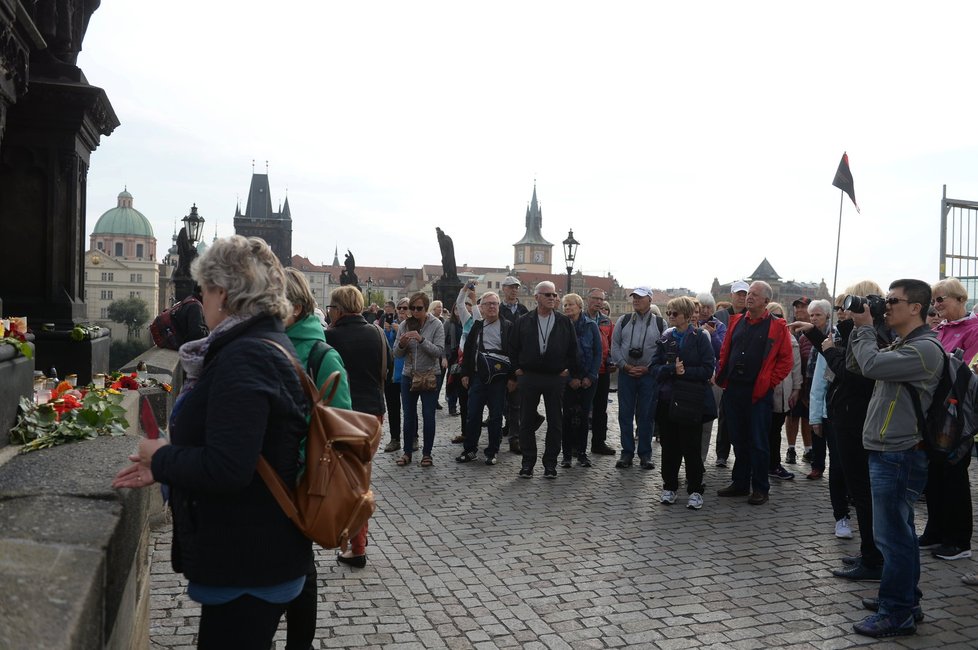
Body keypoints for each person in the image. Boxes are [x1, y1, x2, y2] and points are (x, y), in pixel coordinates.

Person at [112, 236, 312, 649]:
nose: (200, 300)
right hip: (254, 553)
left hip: (250, 560)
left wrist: (163, 456)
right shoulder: (260, 343)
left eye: (203, 290)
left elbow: (228, 468)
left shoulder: (248, 355)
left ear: (223, 292)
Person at [847, 279, 942, 638]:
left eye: (893, 301)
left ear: (916, 307)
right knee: (898, 534)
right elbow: (859, 364)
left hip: (899, 454)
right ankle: (906, 598)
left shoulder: (924, 350)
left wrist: (866, 328)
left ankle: (897, 611)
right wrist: (860, 329)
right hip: (891, 451)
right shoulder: (907, 343)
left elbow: (870, 364)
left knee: (893, 538)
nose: (886, 306)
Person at [799, 281, 892, 583]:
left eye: (846, 305)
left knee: (863, 494)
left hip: (857, 421)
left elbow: (853, 375)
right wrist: (817, 338)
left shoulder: (871, 334)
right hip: (848, 418)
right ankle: (869, 551)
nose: (842, 311)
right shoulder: (860, 333)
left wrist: (827, 349)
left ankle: (873, 557)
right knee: (860, 491)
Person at [282, 267, 352, 648]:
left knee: (300, 568)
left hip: (304, 480)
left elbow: (341, 428)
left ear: (293, 308)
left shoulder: (323, 354)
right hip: (266, 482)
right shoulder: (267, 345)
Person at [324, 285, 390, 568]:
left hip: (344, 415)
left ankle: (357, 545)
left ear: (337, 309)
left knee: (350, 484)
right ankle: (356, 543)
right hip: (373, 414)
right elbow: (384, 369)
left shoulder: (330, 337)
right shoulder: (376, 332)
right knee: (360, 478)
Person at [715, 281, 794, 505]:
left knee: (758, 441)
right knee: (738, 438)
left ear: (766, 301)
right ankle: (740, 483)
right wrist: (723, 370)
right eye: (748, 293)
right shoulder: (737, 320)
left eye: (754, 295)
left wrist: (769, 382)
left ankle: (760, 487)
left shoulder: (777, 326)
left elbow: (786, 360)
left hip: (758, 392)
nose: (749, 297)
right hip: (734, 389)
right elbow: (725, 350)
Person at [921, 278, 976, 563]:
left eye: (941, 299)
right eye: (934, 300)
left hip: (956, 414)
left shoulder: (974, 329)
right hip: (934, 413)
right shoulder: (939, 330)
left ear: (959, 298)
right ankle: (935, 530)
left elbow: (965, 371)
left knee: (954, 476)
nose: (936, 305)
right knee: (934, 475)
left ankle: (959, 539)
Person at [650, 296, 716, 510]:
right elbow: (654, 368)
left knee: (691, 447)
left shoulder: (700, 337)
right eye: (668, 312)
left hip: (690, 400)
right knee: (669, 447)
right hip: (667, 400)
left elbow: (707, 369)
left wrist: (684, 372)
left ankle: (695, 490)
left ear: (687, 315)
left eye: (674, 313)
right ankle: (669, 486)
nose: (670, 317)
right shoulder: (666, 336)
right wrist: (671, 370)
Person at [509, 281, 578, 478]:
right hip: (529, 376)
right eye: (547, 295)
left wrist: (568, 369)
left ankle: (550, 464)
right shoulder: (523, 320)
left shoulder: (564, 321)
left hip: (555, 378)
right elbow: (512, 348)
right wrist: (517, 370)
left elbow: (573, 350)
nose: (552, 298)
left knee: (555, 422)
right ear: (537, 297)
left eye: (554, 295)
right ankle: (527, 463)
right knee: (526, 422)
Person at [611, 286, 665, 469]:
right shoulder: (623, 320)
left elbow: (662, 351)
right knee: (625, 415)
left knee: (646, 416)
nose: (635, 300)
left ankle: (645, 454)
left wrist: (647, 368)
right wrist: (624, 365)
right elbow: (615, 346)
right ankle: (627, 453)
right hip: (626, 374)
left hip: (648, 376)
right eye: (634, 297)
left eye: (640, 297)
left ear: (650, 300)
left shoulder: (660, 323)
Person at [456, 291, 511, 465]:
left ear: (499, 306)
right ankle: (470, 449)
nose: (492, 307)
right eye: (488, 304)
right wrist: (465, 373)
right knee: (473, 415)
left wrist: (512, 378)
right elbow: (469, 350)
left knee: (495, 416)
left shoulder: (508, 326)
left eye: (495, 303)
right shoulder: (477, 325)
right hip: (479, 376)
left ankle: (492, 451)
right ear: (482, 307)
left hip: (499, 378)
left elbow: (515, 352)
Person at [393, 291, 445, 467]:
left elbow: (438, 351)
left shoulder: (436, 324)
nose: (415, 312)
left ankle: (427, 454)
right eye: (412, 308)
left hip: (431, 375)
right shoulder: (405, 325)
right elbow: (396, 353)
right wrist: (402, 344)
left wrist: (421, 340)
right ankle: (407, 452)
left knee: (428, 415)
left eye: (419, 308)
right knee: (408, 416)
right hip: (409, 376)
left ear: (426, 307)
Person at [559, 293, 602, 468]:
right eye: (565, 305)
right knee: (567, 417)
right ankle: (567, 454)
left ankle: (582, 454)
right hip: (568, 379)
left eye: (571, 305)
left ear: (579, 306)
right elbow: (558, 354)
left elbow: (597, 352)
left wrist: (591, 376)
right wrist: (569, 378)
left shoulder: (591, 326)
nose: (567, 308)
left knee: (584, 417)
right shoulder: (560, 325)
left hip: (588, 378)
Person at [763, 302, 800, 482]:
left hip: (783, 392)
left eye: (781, 316)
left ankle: (774, 464)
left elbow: (796, 368)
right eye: (774, 315)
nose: (778, 319)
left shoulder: (791, 339)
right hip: (763, 390)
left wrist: (796, 389)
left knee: (775, 430)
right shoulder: (761, 336)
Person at [500, 276, 530, 454]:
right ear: (504, 289)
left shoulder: (523, 309)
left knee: (516, 404)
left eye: (516, 287)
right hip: (500, 360)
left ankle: (515, 438)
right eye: (511, 287)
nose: (514, 290)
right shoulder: (498, 308)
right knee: (499, 402)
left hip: (517, 361)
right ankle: (500, 432)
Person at [696, 292, 727, 463]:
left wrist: (713, 335)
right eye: (702, 307)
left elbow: (721, 352)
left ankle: (701, 458)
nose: (705, 311)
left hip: (713, 379)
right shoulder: (691, 324)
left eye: (709, 307)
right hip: (693, 377)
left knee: (707, 421)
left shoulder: (720, 326)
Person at [586, 288, 617, 455]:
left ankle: (598, 443)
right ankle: (577, 445)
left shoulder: (606, 322)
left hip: (603, 370)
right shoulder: (580, 318)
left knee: (600, 409)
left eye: (601, 299)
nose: (598, 302)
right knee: (581, 409)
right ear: (587, 299)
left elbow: (611, 345)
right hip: (585, 370)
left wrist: (612, 360)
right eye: (595, 298)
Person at [785, 297, 815, 466]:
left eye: (803, 307)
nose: (799, 310)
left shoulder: (814, 329)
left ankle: (808, 449)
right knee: (792, 415)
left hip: (809, 380)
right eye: (797, 307)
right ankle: (790, 448)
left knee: (807, 417)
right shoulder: (791, 330)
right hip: (794, 378)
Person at [382, 298, 409, 453]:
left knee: (409, 409)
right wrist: (386, 330)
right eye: (399, 308)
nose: (401, 311)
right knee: (393, 408)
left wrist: (401, 330)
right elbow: (387, 346)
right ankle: (395, 439)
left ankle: (413, 437)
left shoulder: (412, 326)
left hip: (407, 372)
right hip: (392, 373)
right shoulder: (391, 324)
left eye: (405, 308)